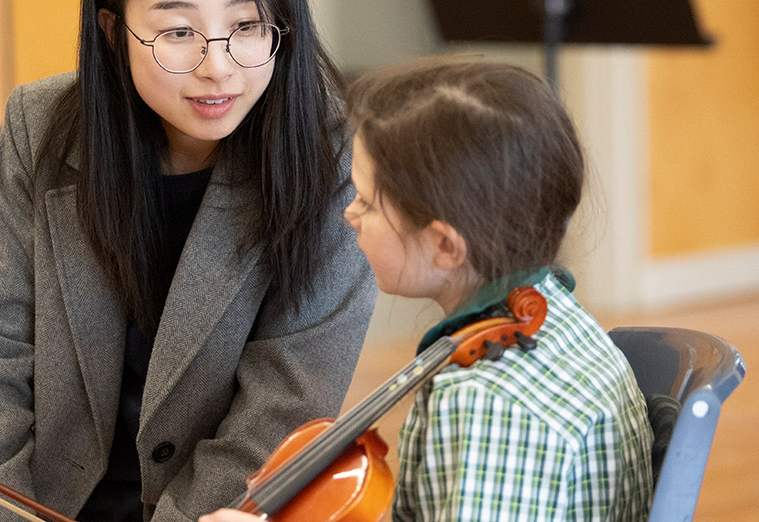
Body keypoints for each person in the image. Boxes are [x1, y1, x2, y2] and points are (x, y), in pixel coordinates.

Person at [0, 0, 376, 522]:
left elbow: (283, 411)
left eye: (249, 26)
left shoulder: (330, 156)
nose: (218, 67)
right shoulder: (40, 126)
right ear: (114, 33)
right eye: (177, 33)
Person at [201, 58, 656, 522]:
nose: (349, 215)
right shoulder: (562, 317)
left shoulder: (485, 405)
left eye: (365, 201)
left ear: (443, 244)